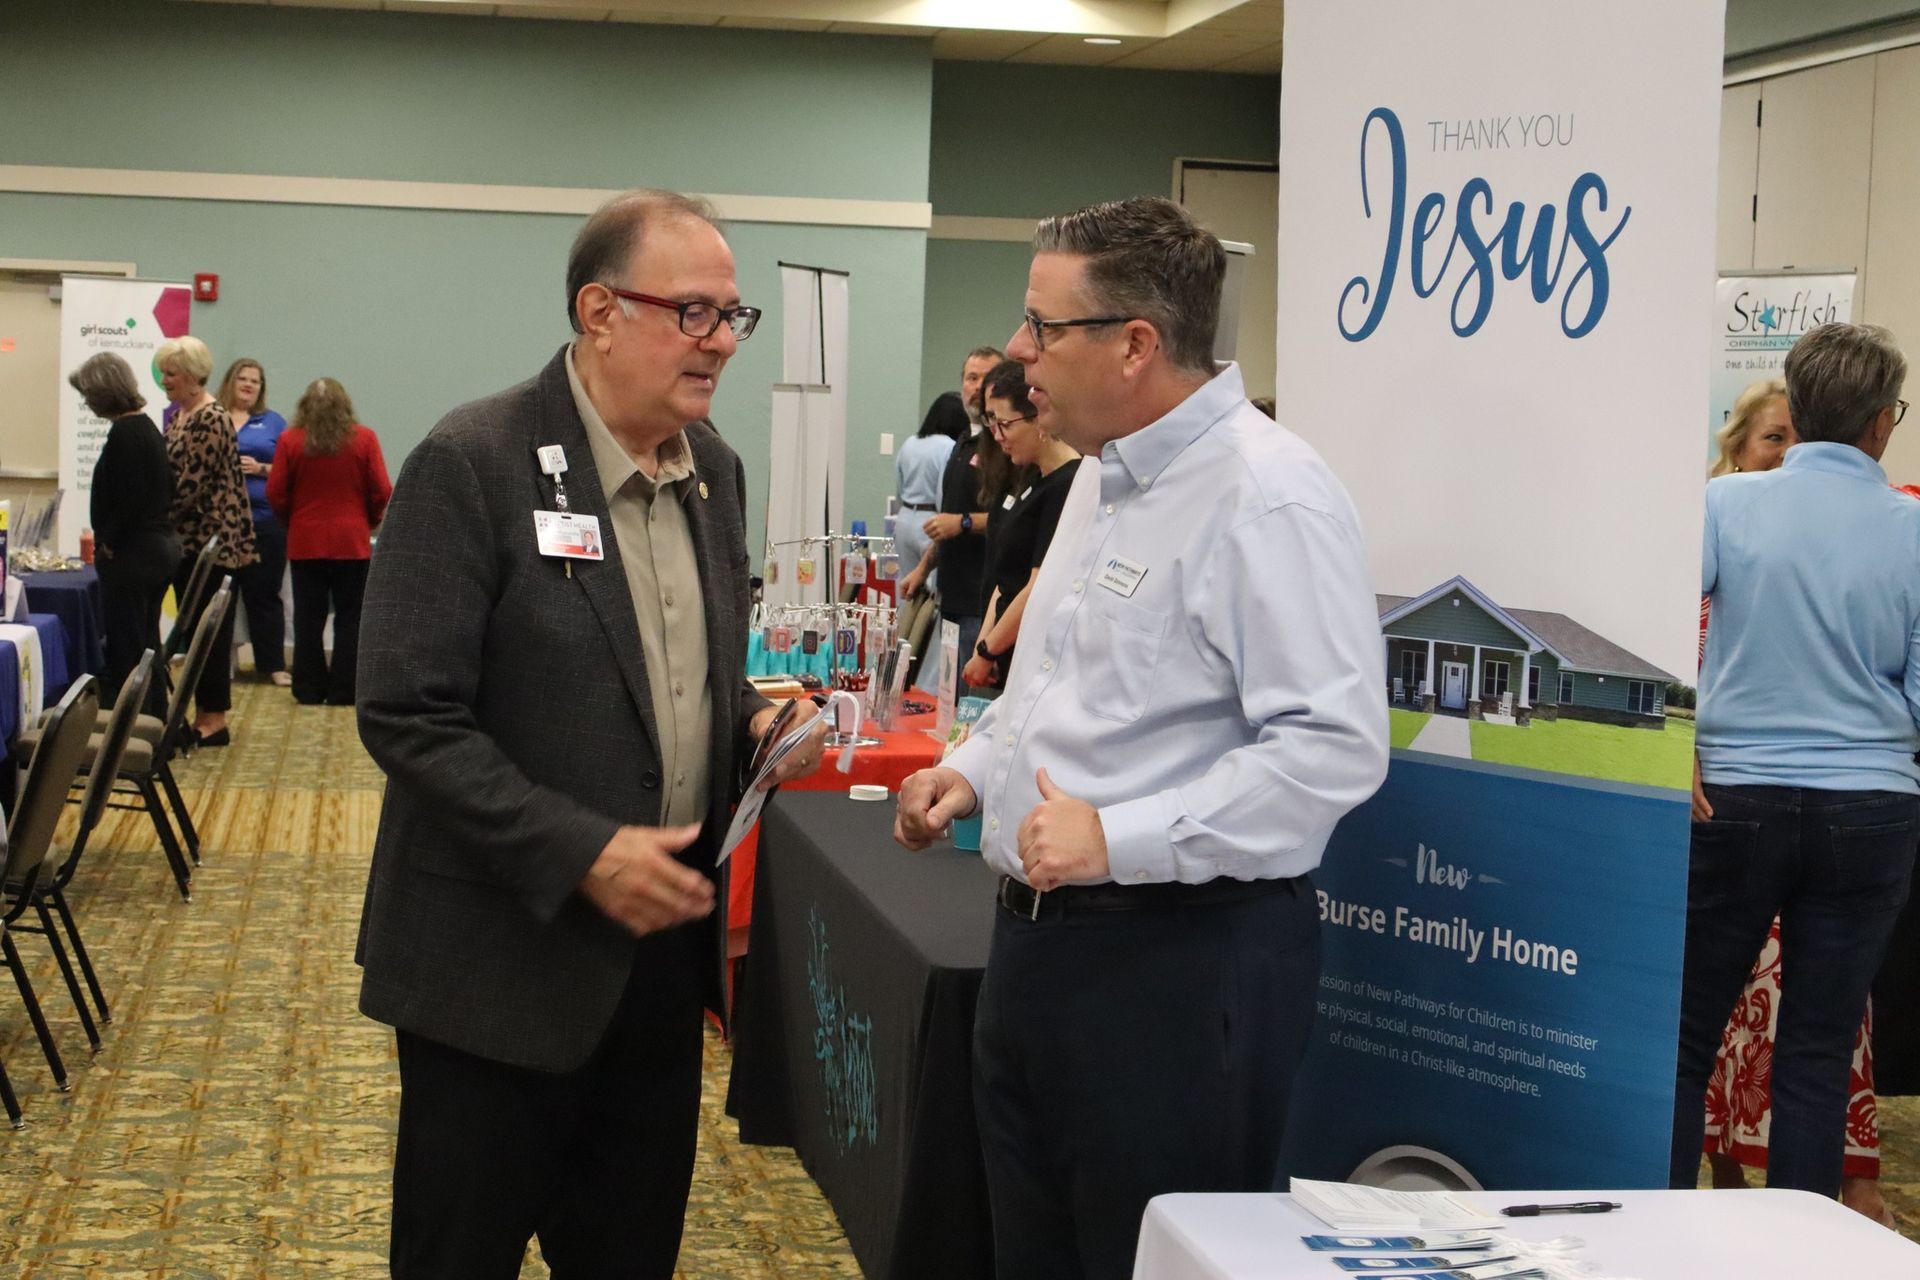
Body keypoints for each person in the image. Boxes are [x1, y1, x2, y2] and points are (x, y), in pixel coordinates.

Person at [894, 197, 1390, 1280]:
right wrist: (971, 773)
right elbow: (1061, 688)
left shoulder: (1268, 496)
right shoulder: (1102, 481)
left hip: (1178, 962)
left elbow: (1332, 748)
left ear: (1136, 345)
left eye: (1042, 328)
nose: (1018, 359)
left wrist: (1120, 835)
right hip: (1040, 949)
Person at [355, 188, 826, 1279]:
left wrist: (754, 718)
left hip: (656, 964)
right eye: (695, 312)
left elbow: (687, 668)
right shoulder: (473, 460)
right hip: (496, 960)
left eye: (734, 317)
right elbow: (406, 710)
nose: (720, 343)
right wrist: (578, 849)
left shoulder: (714, 471)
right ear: (599, 309)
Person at [1674, 322, 1920, 1205]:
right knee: (1816, 1054)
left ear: (1802, 408)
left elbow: (1663, 630)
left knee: (1685, 1037)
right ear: (1881, 425)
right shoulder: (1915, 528)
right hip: (1872, 810)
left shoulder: (1725, 506)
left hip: (1732, 797)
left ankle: (1653, 1240)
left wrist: (1683, 742)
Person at [158, 335, 259, 747]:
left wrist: (153, 520)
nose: (164, 380)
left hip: (213, 546)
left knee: (210, 636)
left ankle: (213, 719)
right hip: (189, 543)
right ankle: (202, 712)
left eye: (171, 373)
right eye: (163, 372)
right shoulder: (181, 416)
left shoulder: (210, 417)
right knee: (195, 631)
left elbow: (189, 488)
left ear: (194, 376)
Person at [266, 378, 392, 707]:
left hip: (305, 542)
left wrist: (291, 522)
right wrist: (369, 521)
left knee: (308, 617)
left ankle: (308, 688)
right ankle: (345, 689)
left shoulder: (290, 440)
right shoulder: (364, 439)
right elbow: (382, 490)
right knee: (350, 617)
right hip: (352, 542)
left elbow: (276, 493)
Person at [69, 352, 179, 705]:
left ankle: (134, 726)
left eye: (88, 395)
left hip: (134, 557)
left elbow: (129, 498)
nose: (86, 403)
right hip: (154, 550)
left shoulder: (124, 434)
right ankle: (153, 719)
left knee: (129, 651)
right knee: (146, 644)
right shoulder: (144, 427)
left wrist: (109, 541)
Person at [900, 346, 1011, 694]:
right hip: (951, 597)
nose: (976, 387)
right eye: (970, 378)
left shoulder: (1005, 448)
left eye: (985, 378)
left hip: (982, 603)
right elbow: (949, 517)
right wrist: (922, 569)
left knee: (969, 707)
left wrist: (962, 523)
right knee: (948, 706)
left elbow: (1009, 518)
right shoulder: (962, 443)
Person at [961, 361, 1077, 690]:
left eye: (1005, 425)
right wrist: (984, 645)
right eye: (992, 425)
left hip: (1031, 654)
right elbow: (1004, 577)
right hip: (1004, 649)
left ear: (1037, 417)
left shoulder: (1067, 484)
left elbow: (1039, 585)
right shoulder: (1030, 478)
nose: (997, 437)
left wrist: (988, 649)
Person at [220, 358, 292, 687]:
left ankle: (273, 665)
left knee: (264, 596)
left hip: (264, 521)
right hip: (220, 524)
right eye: (243, 379)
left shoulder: (273, 423)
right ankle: (221, 665)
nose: (249, 385)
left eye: (256, 381)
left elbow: (292, 471)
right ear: (231, 382)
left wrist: (261, 468)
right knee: (221, 597)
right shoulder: (214, 417)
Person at [892, 392, 967, 591]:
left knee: (906, 586)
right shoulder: (949, 447)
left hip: (904, 518)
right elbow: (945, 489)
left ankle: (905, 622)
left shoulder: (909, 442)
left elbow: (899, 486)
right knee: (932, 589)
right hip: (930, 521)